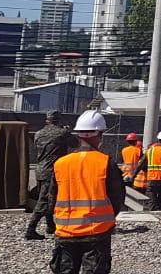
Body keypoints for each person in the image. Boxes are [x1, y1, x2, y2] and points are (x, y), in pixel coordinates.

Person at [49, 110, 125, 274]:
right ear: (100, 134)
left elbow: (52, 198)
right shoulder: (105, 163)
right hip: (96, 232)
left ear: (78, 135)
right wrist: (106, 216)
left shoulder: (61, 163)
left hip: (65, 232)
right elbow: (117, 198)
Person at [28, 110, 75, 240]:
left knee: (48, 198)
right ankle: (31, 229)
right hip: (53, 171)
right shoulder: (62, 133)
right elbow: (75, 144)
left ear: (47, 120)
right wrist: (67, 131)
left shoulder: (38, 133)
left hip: (40, 170)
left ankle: (50, 225)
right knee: (44, 200)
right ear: (58, 120)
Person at [128, 130, 161, 210]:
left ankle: (152, 211)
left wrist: (133, 176)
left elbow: (140, 165)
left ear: (158, 139)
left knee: (151, 199)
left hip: (152, 179)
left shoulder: (150, 151)